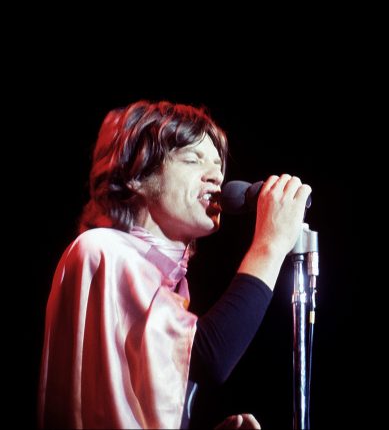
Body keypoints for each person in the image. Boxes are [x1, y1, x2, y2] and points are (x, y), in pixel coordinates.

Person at [38, 99, 311, 429]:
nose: (216, 177)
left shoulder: (161, 280)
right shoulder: (104, 251)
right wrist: (271, 243)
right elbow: (210, 359)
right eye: (193, 159)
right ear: (136, 175)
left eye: (218, 165)